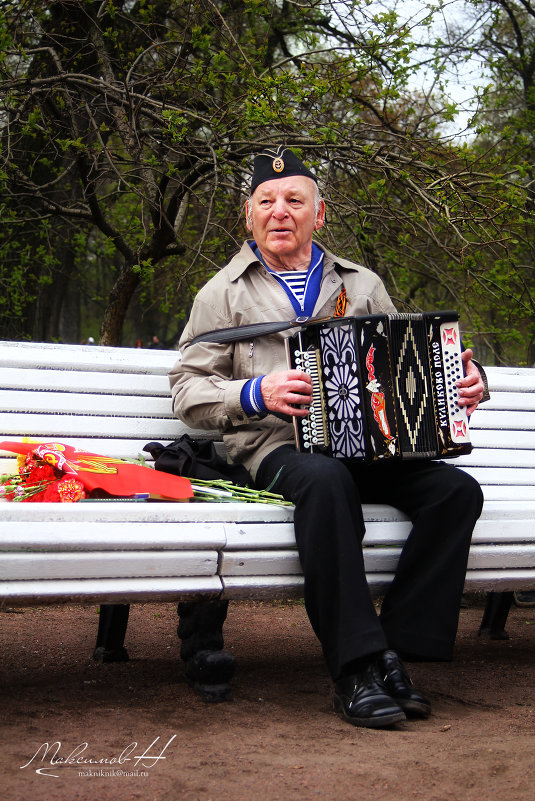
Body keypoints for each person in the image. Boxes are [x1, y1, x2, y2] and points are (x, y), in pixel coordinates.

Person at [169, 146, 485, 729]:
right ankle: (355, 669)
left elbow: (401, 362)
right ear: (248, 215)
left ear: (320, 213)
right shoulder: (224, 293)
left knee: (456, 492)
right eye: (266, 201)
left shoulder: (361, 283)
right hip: (273, 447)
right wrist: (252, 393)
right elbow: (187, 391)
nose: (279, 211)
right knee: (327, 481)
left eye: (294, 200)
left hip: (363, 443)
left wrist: (462, 383)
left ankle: (392, 647)